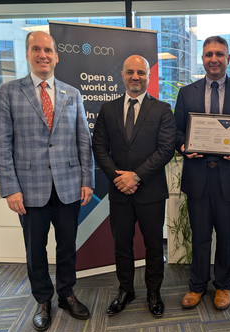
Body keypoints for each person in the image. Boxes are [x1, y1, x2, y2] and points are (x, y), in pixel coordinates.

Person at [0, 31, 95, 332]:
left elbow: (83, 141)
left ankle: (66, 294)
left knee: (67, 246)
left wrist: (87, 180)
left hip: (68, 187)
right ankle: (42, 300)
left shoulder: (71, 93)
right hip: (28, 190)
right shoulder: (9, 92)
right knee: (35, 249)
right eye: (36, 49)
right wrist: (10, 188)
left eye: (48, 50)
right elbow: (2, 144)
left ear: (56, 55)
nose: (43, 55)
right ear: (27, 54)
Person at [175, 36, 230, 310]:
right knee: (199, 235)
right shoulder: (186, 93)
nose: (214, 58)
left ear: (228, 59)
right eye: (209, 54)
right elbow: (176, 132)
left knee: (226, 236)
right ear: (202, 58)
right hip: (198, 176)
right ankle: (197, 286)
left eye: (220, 54)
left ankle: (223, 285)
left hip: (228, 177)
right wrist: (183, 145)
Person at [92, 55, 176, 318]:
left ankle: (154, 291)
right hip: (119, 192)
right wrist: (120, 178)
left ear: (149, 77)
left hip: (150, 192)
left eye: (141, 72)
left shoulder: (162, 109)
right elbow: (99, 148)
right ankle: (125, 289)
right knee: (122, 246)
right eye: (130, 72)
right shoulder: (108, 109)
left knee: (153, 245)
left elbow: (165, 150)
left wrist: (136, 176)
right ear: (123, 75)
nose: (135, 77)